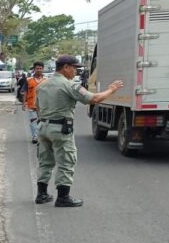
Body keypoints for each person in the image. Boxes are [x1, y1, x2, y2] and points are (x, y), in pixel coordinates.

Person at [35, 55, 123, 207]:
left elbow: (37, 107)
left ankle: (41, 194)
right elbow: (94, 99)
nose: (76, 71)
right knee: (66, 161)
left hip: (42, 127)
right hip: (60, 128)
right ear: (66, 67)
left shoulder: (42, 85)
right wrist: (111, 89)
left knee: (45, 161)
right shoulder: (70, 85)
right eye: (74, 68)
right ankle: (63, 197)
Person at [24, 61, 46, 144]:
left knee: (41, 121)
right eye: (37, 68)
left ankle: (38, 135)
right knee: (33, 121)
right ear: (34, 69)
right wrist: (23, 103)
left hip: (43, 106)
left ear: (42, 69)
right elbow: (25, 91)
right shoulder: (28, 80)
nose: (39, 70)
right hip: (31, 104)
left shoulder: (46, 80)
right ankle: (35, 136)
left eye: (40, 68)